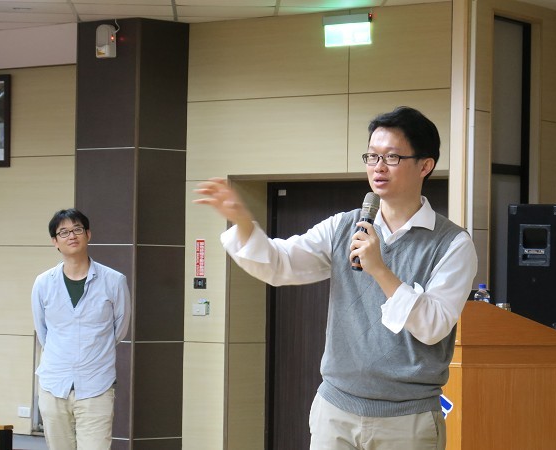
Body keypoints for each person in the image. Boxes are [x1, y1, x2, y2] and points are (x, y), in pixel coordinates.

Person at [194, 106, 478, 450]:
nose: (378, 167)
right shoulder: (345, 226)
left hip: (408, 419)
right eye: (372, 156)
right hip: (335, 410)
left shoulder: (453, 244)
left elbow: (433, 326)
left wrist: (380, 270)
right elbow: (280, 264)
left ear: (425, 165)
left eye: (391, 157)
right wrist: (242, 221)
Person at [31, 209, 131, 450]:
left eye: (77, 229)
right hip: (54, 384)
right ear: (55, 241)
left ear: (88, 234)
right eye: (63, 232)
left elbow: (119, 329)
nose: (72, 236)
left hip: (97, 384)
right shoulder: (43, 283)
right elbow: (43, 332)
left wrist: (93, 349)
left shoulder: (114, 281)